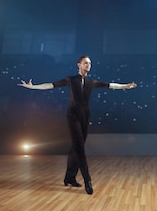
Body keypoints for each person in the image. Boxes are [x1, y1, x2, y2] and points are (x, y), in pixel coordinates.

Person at [19, 55, 137, 195]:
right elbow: (51, 85)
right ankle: (88, 180)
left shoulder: (91, 82)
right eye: (86, 63)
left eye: (90, 63)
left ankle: (69, 178)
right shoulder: (71, 79)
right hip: (73, 115)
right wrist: (33, 87)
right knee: (80, 148)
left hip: (85, 115)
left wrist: (126, 86)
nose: (88, 65)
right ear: (79, 65)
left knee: (76, 148)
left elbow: (110, 85)